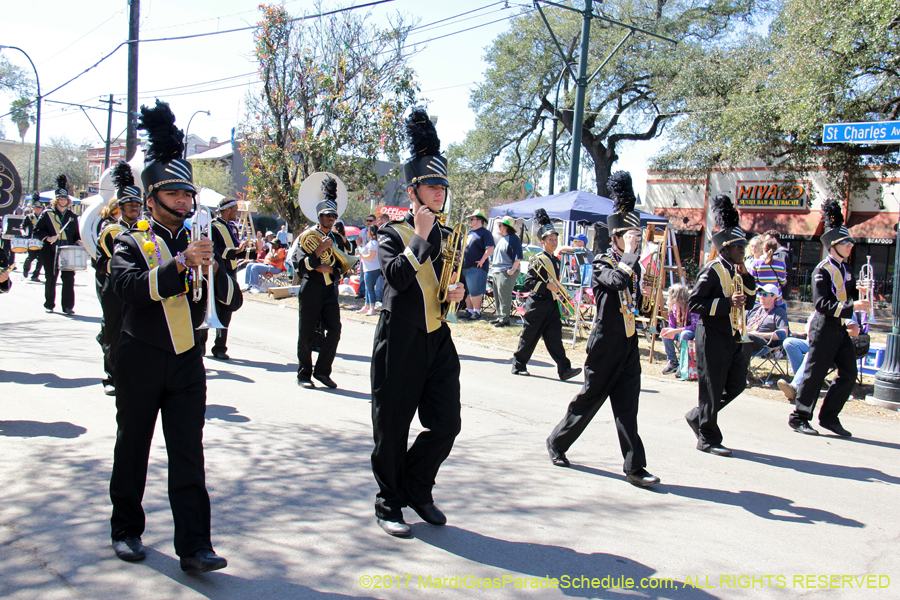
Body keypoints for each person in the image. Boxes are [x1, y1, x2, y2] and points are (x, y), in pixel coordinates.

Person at [108, 100, 241, 572]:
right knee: (134, 446)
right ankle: (125, 528)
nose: (185, 202)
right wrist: (181, 263)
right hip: (141, 355)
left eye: (188, 194)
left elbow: (229, 299)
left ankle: (195, 546)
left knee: (189, 453)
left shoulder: (200, 237)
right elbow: (125, 288)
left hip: (187, 359)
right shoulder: (132, 239)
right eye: (174, 194)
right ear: (152, 199)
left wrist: (218, 265)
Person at [370, 108, 466, 537]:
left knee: (446, 423)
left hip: (436, 337)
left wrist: (456, 293)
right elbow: (393, 280)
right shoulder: (392, 233)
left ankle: (418, 485)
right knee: (392, 424)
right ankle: (390, 502)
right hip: (400, 337)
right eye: (432, 185)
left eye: (443, 186)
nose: (439, 192)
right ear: (413, 191)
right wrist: (420, 237)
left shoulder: (445, 235)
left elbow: (440, 285)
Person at [546, 171, 659, 488]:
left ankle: (635, 467)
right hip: (604, 344)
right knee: (587, 401)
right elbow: (615, 282)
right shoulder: (602, 262)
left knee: (628, 408)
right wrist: (631, 256)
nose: (635, 241)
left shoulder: (632, 264)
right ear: (616, 238)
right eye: (629, 236)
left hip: (628, 344)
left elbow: (634, 299)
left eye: (637, 236)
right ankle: (557, 442)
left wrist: (647, 299)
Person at [787, 199, 867, 437]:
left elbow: (848, 296)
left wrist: (858, 292)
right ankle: (799, 417)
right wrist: (852, 306)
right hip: (824, 327)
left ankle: (829, 417)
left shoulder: (847, 269)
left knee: (849, 373)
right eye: (846, 242)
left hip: (840, 329)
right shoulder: (822, 269)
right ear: (833, 245)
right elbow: (821, 304)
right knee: (815, 372)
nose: (851, 245)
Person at [685, 195, 756, 457]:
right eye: (739, 247)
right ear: (725, 247)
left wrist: (747, 276)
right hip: (712, 335)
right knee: (711, 388)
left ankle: (698, 416)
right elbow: (694, 303)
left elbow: (750, 299)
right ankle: (707, 438)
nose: (744, 250)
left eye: (744, 246)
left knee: (736, 384)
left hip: (734, 335)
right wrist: (725, 303)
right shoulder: (712, 269)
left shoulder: (739, 269)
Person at [511, 208, 581, 381]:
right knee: (530, 336)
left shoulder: (556, 260)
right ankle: (518, 365)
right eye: (550, 239)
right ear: (542, 241)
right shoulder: (537, 259)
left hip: (551, 305)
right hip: (537, 305)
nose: (554, 242)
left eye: (556, 239)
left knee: (555, 338)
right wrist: (546, 286)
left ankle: (564, 370)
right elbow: (529, 283)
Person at [94, 162, 142, 395]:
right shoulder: (111, 230)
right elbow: (107, 261)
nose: (134, 208)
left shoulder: (145, 229)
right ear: (120, 207)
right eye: (129, 204)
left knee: (133, 332)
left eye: (137, 204)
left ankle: (129, 373)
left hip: (135, 287)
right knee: (114, 331)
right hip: (113, 288)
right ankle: (112, 376)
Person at [294, 174, 344, 389]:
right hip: (311, 287)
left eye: (333, 216)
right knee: (306, 332)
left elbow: (344, 265)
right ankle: (304, 375)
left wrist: (332, 268)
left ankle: (323, 371)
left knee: (334, 330)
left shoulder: (338, 238)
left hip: (329, 289)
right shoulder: (306, 236)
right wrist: (318, 252)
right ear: (319, 216)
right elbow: (300, 266)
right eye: (327, 216)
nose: (331, 219)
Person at [778, 312, 861, 401]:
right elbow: (808, 325)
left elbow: (855, 331)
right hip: (813, 342)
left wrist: (827, 334)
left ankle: (795, 386)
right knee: (789, 343)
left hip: (830, 347)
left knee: (813, 353)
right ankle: (804, 385)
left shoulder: (842, 308)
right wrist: (812, 331)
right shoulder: (821, 306)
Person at [33, 175, 82, 314]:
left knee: (68, 279)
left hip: (67, 249)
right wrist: (47, 238)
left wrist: (78, 240)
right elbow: (37, 230)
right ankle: (49, 304)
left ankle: (68, 306)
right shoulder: (47, 214)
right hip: (51, 249)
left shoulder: (72, 216)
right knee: (51, 277)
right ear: (56, 200)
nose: (62, 201)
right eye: (60, 199)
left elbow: (76, 234)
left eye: (65, 199)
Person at [210, 197, 249, 360]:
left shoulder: (231, 227)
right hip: (217, 272)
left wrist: (252, 250)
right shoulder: (213, 227)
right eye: (235, 210)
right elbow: (214, 249)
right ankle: (199, 344)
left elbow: (236, 251)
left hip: (230, 272)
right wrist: (234, 251)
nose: (237, 213)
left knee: (226, 309)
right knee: (209, 307)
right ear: (227, 210)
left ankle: (220, 347)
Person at [460, 210, 494, 321]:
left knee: (475, 290)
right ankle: (469, 311)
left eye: (472, 219)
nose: (470, 221)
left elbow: (490, 248)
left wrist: (482, 260)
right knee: (468, 290)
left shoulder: (485, 233)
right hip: (465, 266)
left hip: (477, 267)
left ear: (479, 221)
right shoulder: (469, 232)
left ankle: (477, 312)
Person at [488, 216, 522, 327]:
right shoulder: (503, 239)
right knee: (497, 295)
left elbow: (518, 256)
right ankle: (500, 317)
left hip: (506, 271)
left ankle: (505, 319)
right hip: (498, 271)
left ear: (506, 227)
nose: (499, 227)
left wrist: (513, 269)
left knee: (504, 295)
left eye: (500, 225)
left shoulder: (513, 238)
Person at [660, 283, 699, 375]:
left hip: (692, 332)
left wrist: (676, 331)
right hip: (680, 331)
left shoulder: (692, 306)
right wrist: (669, 331)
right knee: (665, 332)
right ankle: (672, 361)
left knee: (684, 334)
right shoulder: (673, 307)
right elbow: (672, 325)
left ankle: (683, 363)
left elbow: (695, 326)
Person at [744, 283, 789, 355]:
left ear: (774, 296)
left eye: (765, 294)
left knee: (748, 338)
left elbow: (783, 334)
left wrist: (758, 334)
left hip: (763, 342)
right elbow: (741, 323)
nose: (761, 297)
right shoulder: (753, 308)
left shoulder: (779, 312)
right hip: (746, 335)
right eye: (760, 294)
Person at [749, 238, 787, 308]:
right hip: (775, 299)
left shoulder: (756, 263)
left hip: (760, 298)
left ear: (763, 249)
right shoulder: (780, 264)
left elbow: (751, 281)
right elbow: (783, 282)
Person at [763, 230, 793, 299]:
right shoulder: (773, 254)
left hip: (779, 294)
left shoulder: (782, 253)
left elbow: (785, 274)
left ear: (774, 240)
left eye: (767, 240)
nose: (765, 243)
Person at [358, 224, 381, 315]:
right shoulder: (373, 243)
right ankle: (367, 306)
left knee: (370, 288)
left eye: (368, 231)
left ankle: (371, 307)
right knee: (368, 288)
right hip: (369, 268)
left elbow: (371, 256)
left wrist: (361, 256)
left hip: (371, 269)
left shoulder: (373, 243)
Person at [21, 196, 44, 281]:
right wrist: (23, 232)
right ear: (33, 208)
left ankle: (35, 275)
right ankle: (26, 269)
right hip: (32, 240)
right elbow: (22, 226)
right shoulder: (30, 217)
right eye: (36, 208)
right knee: (31, 257)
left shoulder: (44, 217)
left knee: (41, 259)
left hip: (42, 240)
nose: (38, 209)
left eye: (39, 208)